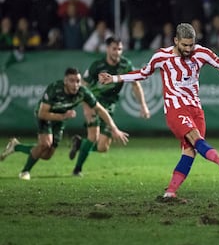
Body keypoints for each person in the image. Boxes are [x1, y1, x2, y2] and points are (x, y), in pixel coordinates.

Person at [98, 23, 219, 199]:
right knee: (196, 138)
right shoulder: (161, 56)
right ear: (176, 41)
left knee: (190, 151)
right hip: (175, 108)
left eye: (191, 45)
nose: (188, 49)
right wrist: (115, 78)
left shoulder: (201, 53)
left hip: (196, 109)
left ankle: (170, 192)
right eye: (184, 45)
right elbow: (143, 73)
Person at [0, 67, 129, 180]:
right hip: (45, 116)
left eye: (78, 81)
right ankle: (25, 171)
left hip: (61, 119)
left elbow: (100, 110)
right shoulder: (54, 89)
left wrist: (114, 129)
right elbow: (42, 113)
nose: (75, 84)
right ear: (65, 81)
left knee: (46, 155)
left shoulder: (83, 92)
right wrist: (63, 116)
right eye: (72, 81)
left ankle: (16, 147)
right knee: (45, 143)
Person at [69, 37, 150, 176]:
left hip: (110, 105)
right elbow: (83, 86)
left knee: (102, 147)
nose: (117, 52)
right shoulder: (97, 66)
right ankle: (77, 169)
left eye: (119, 49)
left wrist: (143, 105)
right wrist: (85, 107)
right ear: (107, 49)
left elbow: (135, 84)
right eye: (114, 49)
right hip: (94, 103)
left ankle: (79, 144)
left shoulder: (125, 65)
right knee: (93, 136)